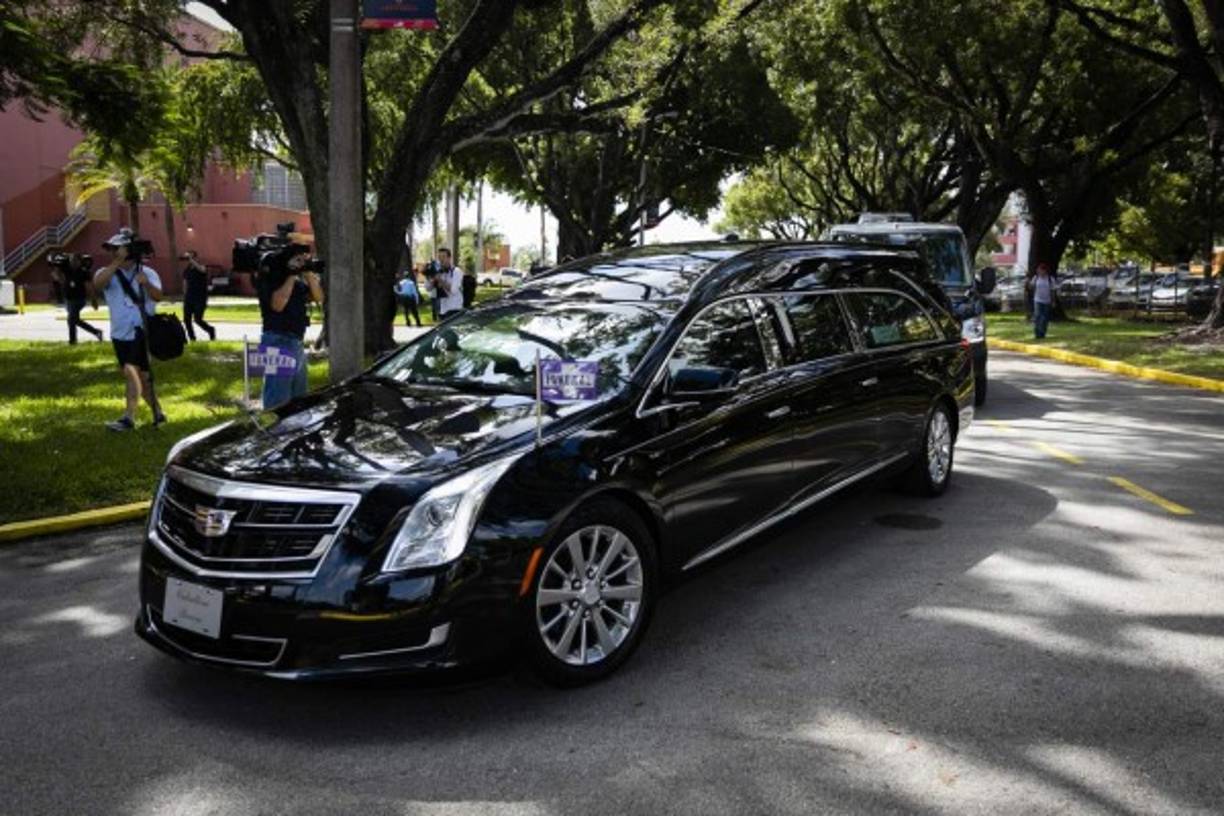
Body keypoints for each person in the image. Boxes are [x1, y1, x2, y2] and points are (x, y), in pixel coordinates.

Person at [93, 229, 165, 431]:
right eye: (113, 250)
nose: (114, 253)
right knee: (139, 376)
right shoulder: (107, 272)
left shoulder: (148, 272)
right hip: (119, 333)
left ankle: (128, 418)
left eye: (118, 249)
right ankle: (158, 412)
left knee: (132, 371)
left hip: (141, 331)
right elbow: (98, 285)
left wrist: (146, 284)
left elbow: (159, 296)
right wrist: (116, 262)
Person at [257, 247, 324, 409]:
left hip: (296, 342)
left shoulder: (299, 282)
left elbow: (319, 297)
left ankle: (294, 431)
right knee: (277, 399)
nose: (302, 263)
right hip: (276, 341)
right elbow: (278, 305)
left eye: (304, 259)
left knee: (298, 398)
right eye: (298, 260)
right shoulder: (273, 278)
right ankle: (274, 432)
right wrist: (292, 274)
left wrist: (309, 273)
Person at [58, 254, 104, 344]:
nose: (72, 262)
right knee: (75, 320)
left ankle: (72, 341)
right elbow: (59, 277)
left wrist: (93, 300)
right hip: (69, 299)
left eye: (75, 260)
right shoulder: (68, 270)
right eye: (71, 260)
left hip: (79, 299)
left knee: (71, 319)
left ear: (79, 262)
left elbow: (89, 287)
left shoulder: (84, 272)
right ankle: (96, 332)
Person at [181, 250, 216, 341]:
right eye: (188, 257)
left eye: (191, 257)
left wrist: (191, 260)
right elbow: (185, 283)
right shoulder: (187, 270)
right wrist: (184, 296)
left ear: (195, 258)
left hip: (200, 298)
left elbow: (202, 270)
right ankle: (192, 338)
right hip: (189, 297)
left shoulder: (201, 266)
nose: (189, 259)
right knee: (186, 319)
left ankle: (210, 330)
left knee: (198, 319)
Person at [429, 247, 465, 318]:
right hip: (442, 309)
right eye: (439, 257)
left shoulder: (456, 271)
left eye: (443, 257)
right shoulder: (438, 272)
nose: (441, 259)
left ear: (449, 258)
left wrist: (440, 280)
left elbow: (453, 290)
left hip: (454, 309)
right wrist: (431, 278)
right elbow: (428, 288)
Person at [1032, 262, 1054, 339]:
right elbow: (1032, 288)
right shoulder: (1036, 278)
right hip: (1037, 300)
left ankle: (1042, 333)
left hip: (1047, 300)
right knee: (1038, 317)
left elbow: (1052, 290)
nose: (1039, 272)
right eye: (1038, 270)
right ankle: (1037, 333)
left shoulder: (1050, 279)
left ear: (1045, 271)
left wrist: (1053, 300)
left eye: (1041, 270)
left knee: (1044, 318)